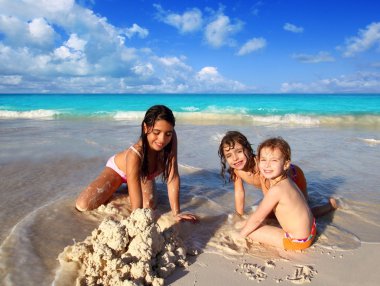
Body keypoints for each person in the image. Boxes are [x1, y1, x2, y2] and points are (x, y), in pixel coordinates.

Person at [75, 105, 198, 223]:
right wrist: (135, 221)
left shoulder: (171, 138)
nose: (162, 139)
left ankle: (127, 189)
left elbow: (173, 176)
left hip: (143, 175)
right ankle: (121, 186)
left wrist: (176, 213)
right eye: (156, 132)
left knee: (148, 207)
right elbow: (136, 209)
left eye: (168, 133)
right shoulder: (136, 154)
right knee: (83, 205)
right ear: (146, 128)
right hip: (118, 171)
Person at [218, 131, 337, 217]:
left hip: (295, 176)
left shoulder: (262, 166)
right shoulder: (236, 171)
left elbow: (268, 195)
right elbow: (239, 193)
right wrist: (240, 215)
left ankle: (330, 206)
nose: (234, 158)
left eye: (239, 151)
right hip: (276, 187)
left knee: (303, 213)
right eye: (229, 155)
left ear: (248, 149)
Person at [238, 137, 316, 250]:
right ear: (258, 161)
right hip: (311, 230)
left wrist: (239, 236)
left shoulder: (276, 190)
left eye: (274, 160)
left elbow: (257, 219)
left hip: (297, 241)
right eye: (263, 160)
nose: (267, 165)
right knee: (248, 223)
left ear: (286, 164)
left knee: (249, 230)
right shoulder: (287, 181)